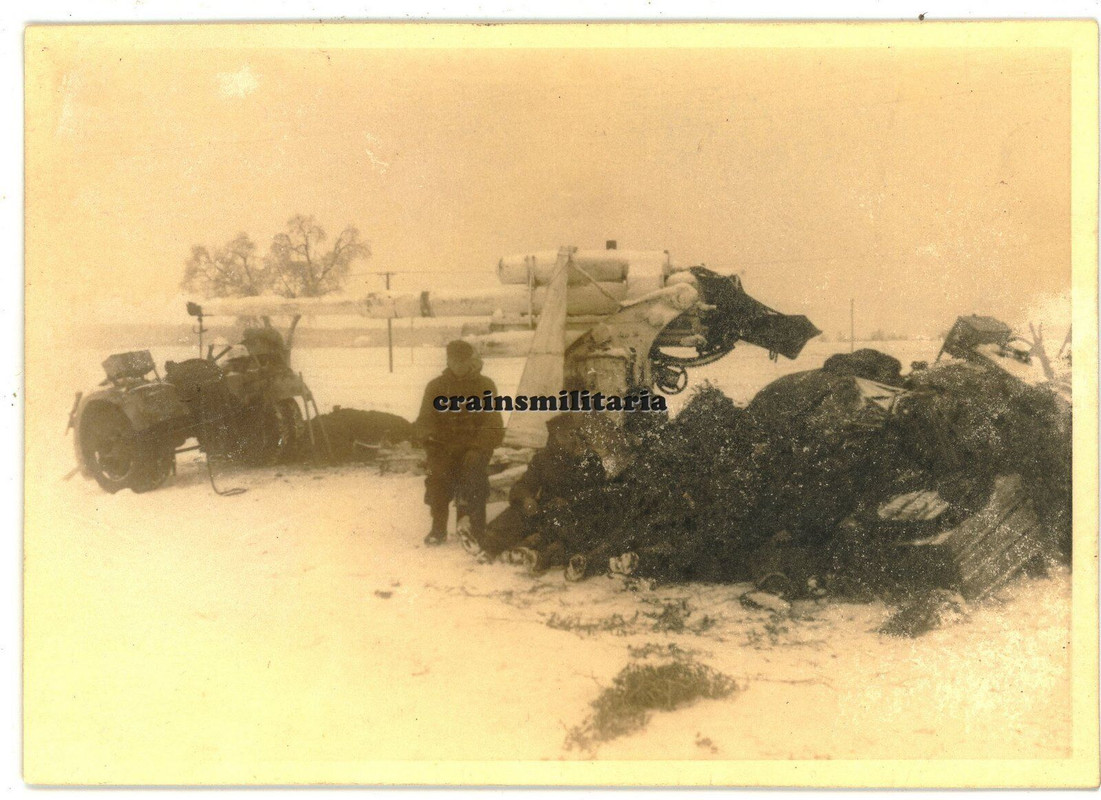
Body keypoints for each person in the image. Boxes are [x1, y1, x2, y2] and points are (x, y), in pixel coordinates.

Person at [413, 340, 504, 546]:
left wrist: (479, 447)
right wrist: (430, 440)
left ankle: (473, 526)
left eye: (462, 361)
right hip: (444, 446)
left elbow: (493, 422)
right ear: (448, 361)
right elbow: (425, 419)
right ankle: (438, 527)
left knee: (472, 470)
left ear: (470, 361)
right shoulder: (436, 387)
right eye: (454, 361)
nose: (458, 366)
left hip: (474, 446)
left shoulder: (485, 386)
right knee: (438, 473)